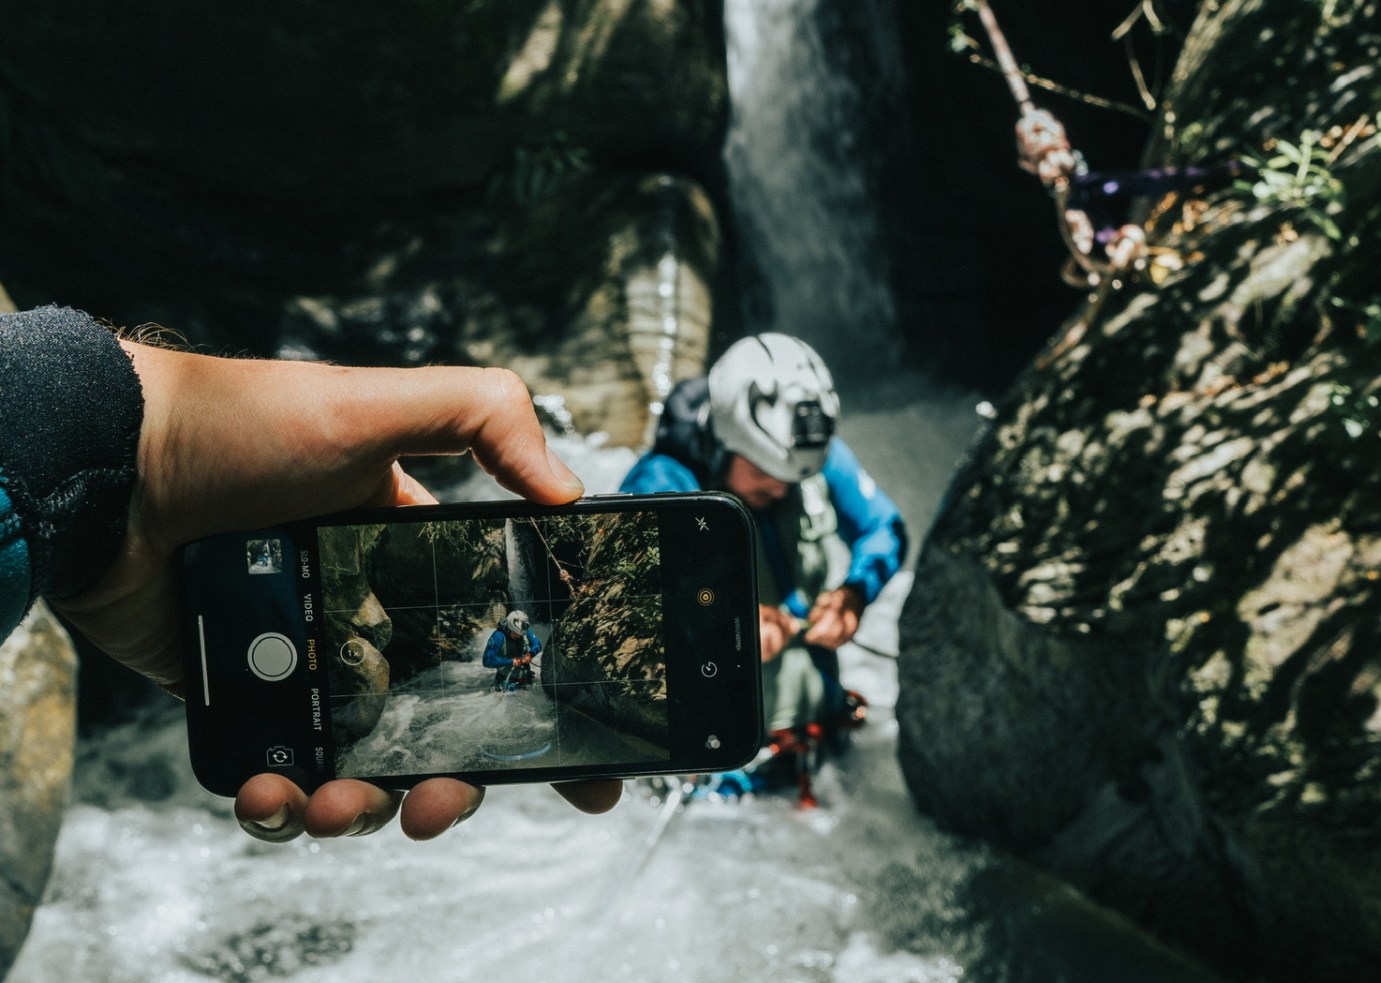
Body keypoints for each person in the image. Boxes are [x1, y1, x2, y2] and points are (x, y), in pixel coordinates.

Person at [0, 305, 621, 841]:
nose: (514, 627)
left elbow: (525, 657)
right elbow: (490, 663)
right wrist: (146, 440)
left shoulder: (522, 638)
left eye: (515, 625)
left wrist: (128, 446)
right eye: (513, 624)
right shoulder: (500, 637)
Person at [619, 333, 906, 791]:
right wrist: (720, 625)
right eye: (762, 472)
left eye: (791, 479)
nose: (779, 488)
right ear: (720, 442)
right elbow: (620, 602)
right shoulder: (661, 484)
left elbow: (883, 529)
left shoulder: (804, 456)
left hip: (821, 751)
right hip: (719, 786)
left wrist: (854, 595)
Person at [483, 609, 542, 690]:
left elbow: (537, 644)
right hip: (505, 683)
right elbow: (487, 660)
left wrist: (530, 654)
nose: (519, 636)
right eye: (516, 634)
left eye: (520, 635)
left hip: (525, 680)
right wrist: (511, 661)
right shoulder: (498, 637)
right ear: (509, 628)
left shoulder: (523, 629)